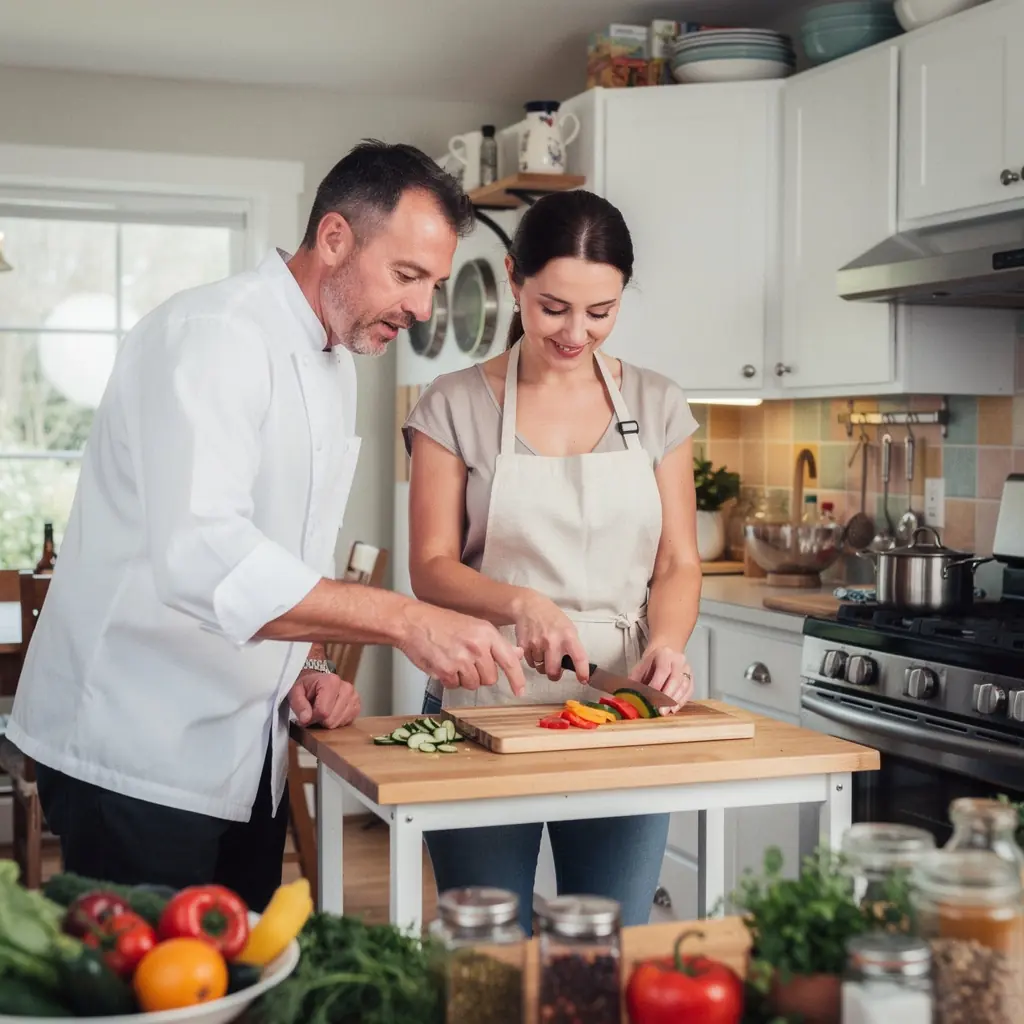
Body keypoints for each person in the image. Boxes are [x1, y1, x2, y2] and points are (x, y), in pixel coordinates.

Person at [6, 141, 525, 911]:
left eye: (436, 284)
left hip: (248, 749)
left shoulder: (336, 359)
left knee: (241, 978)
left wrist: (310, 665)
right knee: (151, 998)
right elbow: (203, 556)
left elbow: (281, 550)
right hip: (138, 750)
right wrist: (406, 620)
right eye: (408, 276)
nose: (421, 310)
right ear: (336, 238)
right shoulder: (214, 336)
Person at [403, 189, 702, 933]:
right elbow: (431, 567)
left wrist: (666, 645)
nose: (576, 333)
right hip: (484, 696)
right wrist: (522, 604)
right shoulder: (453, 404)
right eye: (554, 308)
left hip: (620, 702)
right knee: (490, 948)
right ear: (514, 279)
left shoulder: (659, 405)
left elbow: (678, 562)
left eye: (600, 312)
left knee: (609, 937)